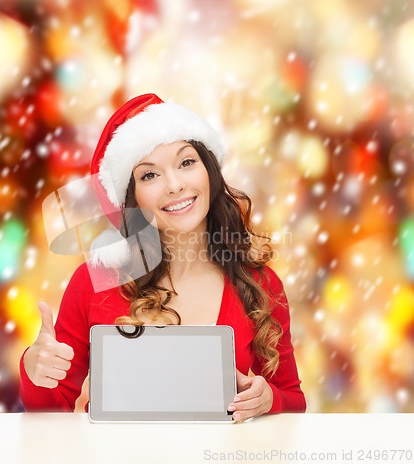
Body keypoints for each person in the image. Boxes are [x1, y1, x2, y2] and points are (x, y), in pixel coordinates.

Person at [20, 93, 306, 422]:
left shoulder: (260, 283)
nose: (174, 185)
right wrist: (34, 369)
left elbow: (294, 400)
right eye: (149, 175)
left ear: (209, 171)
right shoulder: (95, 282)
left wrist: (269, 399)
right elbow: (49, 412)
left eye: (186, 162)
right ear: (132, 198)